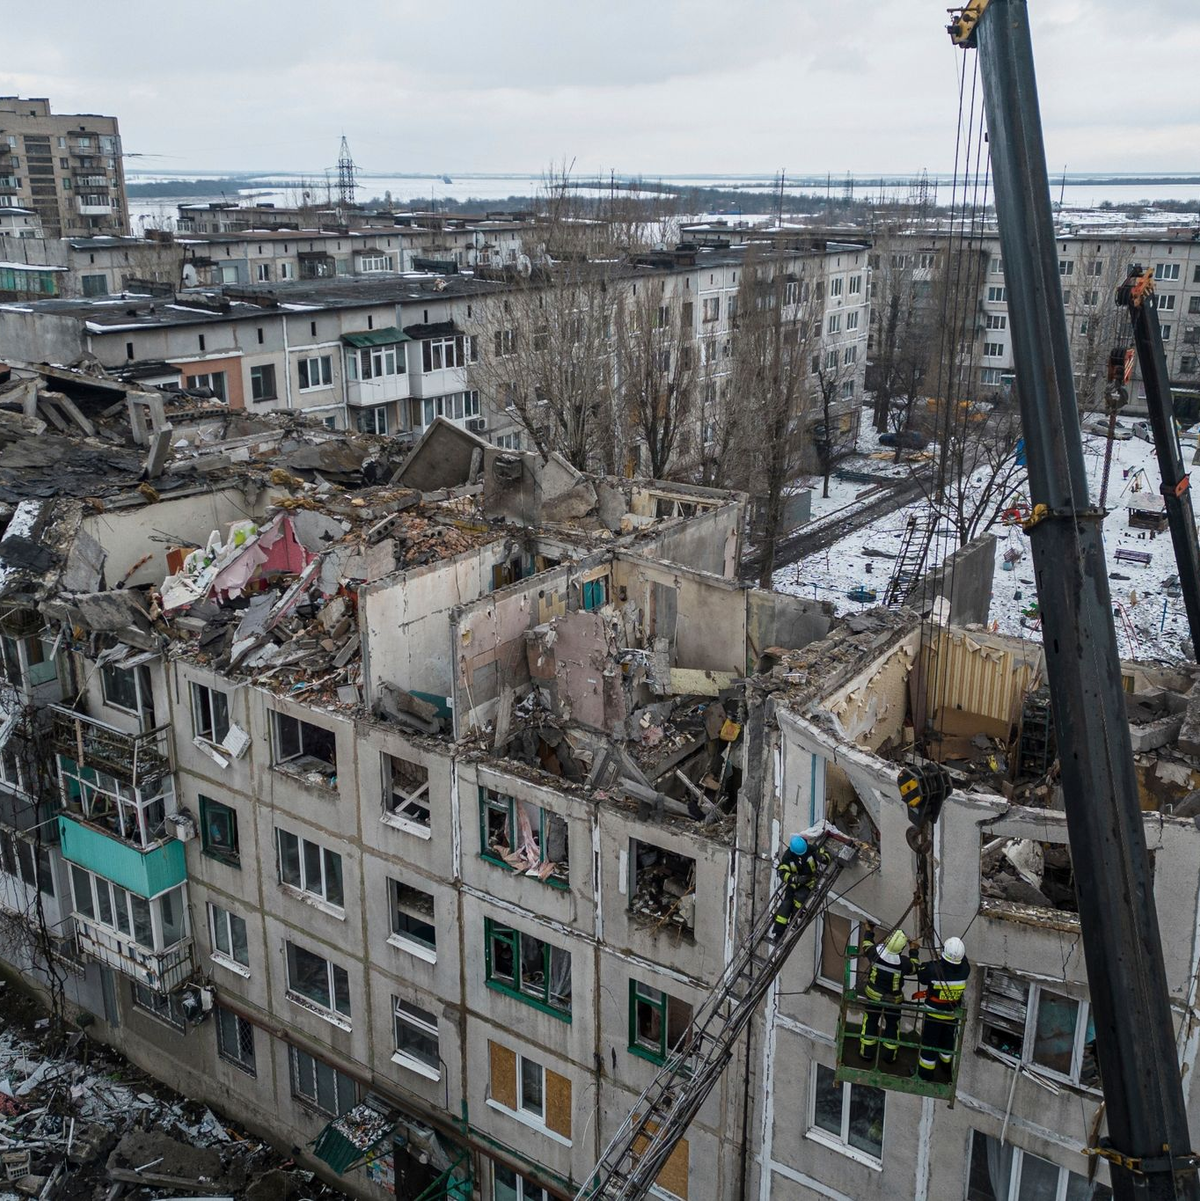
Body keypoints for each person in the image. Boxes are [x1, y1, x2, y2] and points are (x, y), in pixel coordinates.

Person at [916, 936, 971, 1080]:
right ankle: (946, 1067)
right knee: (947, 1042)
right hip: (951, 1015)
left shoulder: (934, 969)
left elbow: (921, 975)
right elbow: (963, 960)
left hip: (933, 1013)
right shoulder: (965, 970)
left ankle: (925, 1074)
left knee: (929, 1044)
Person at [859, 928, 917, 1063]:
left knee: (870, 1022)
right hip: (893, 1001)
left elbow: (866, 945)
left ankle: (866, 1053)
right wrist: (913, 950)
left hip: (873, 996)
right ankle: (890, 1057)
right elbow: (914, 968)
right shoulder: (903, 963)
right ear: (902, 947)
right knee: (892, 1025)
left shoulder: (875, 953)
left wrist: (869, 930)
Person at [771, 834, 830, 940]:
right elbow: (783, 873)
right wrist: (796, 879)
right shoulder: (787, 857)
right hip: (795, 884)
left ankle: (795, 916)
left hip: (810, 881)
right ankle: (778, 934)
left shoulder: (810, 849)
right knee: (786, 905)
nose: (802, 855)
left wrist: (822, 858)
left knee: (800, 897)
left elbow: (826, 855)